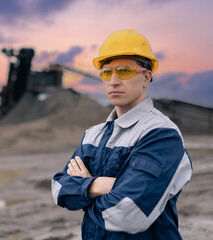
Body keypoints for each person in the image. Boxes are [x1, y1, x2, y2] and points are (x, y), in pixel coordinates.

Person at [51, 29, 192, 239]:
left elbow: (127, 215)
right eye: (107, 72)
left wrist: (84, 188)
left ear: (146, 77)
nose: (113, 81)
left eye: (124, 71)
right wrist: (101, 185)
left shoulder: (161, 134)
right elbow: (59, 189)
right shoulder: (93, 134)